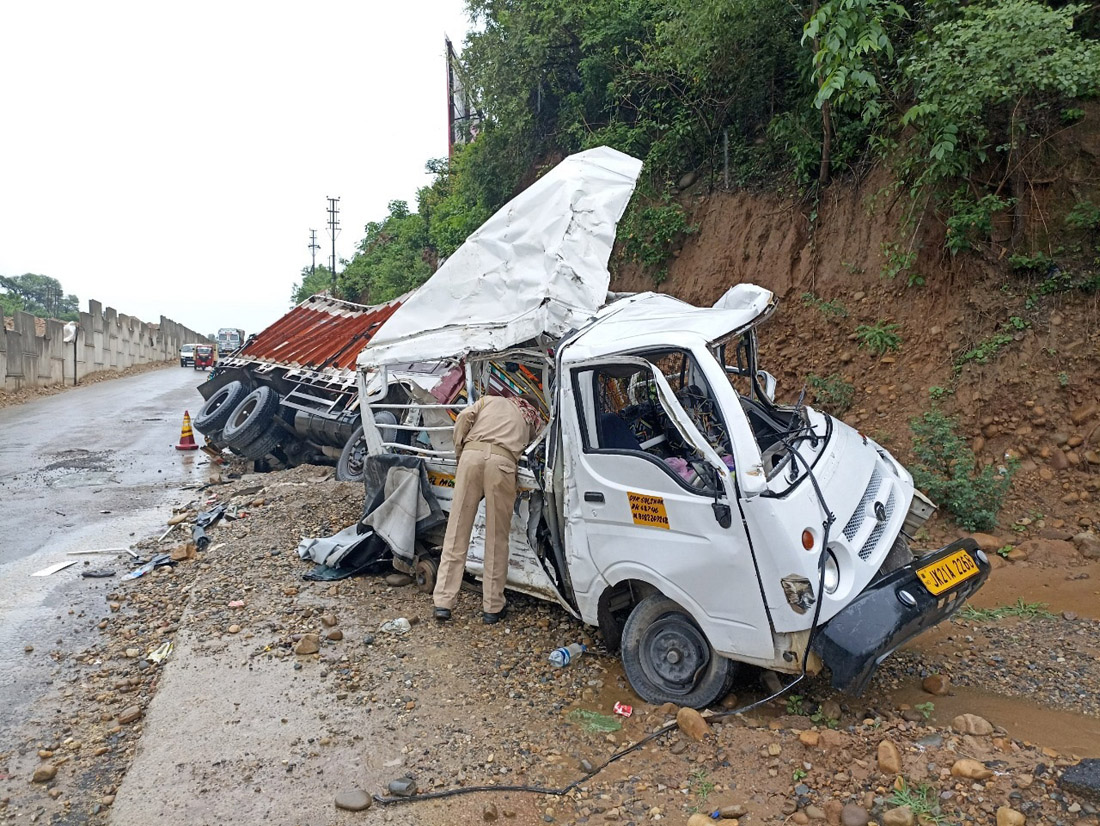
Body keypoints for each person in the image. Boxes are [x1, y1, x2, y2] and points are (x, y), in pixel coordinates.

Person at [432, 392, 542, 624]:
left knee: (456, 532)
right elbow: (537, 450)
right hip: (502, 464)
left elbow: (464, 416)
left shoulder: (489, 400)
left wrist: (461, 450)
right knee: (496, 538)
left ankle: (443, 602)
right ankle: (492, 607)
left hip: (471, 456)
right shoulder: (532, 417)